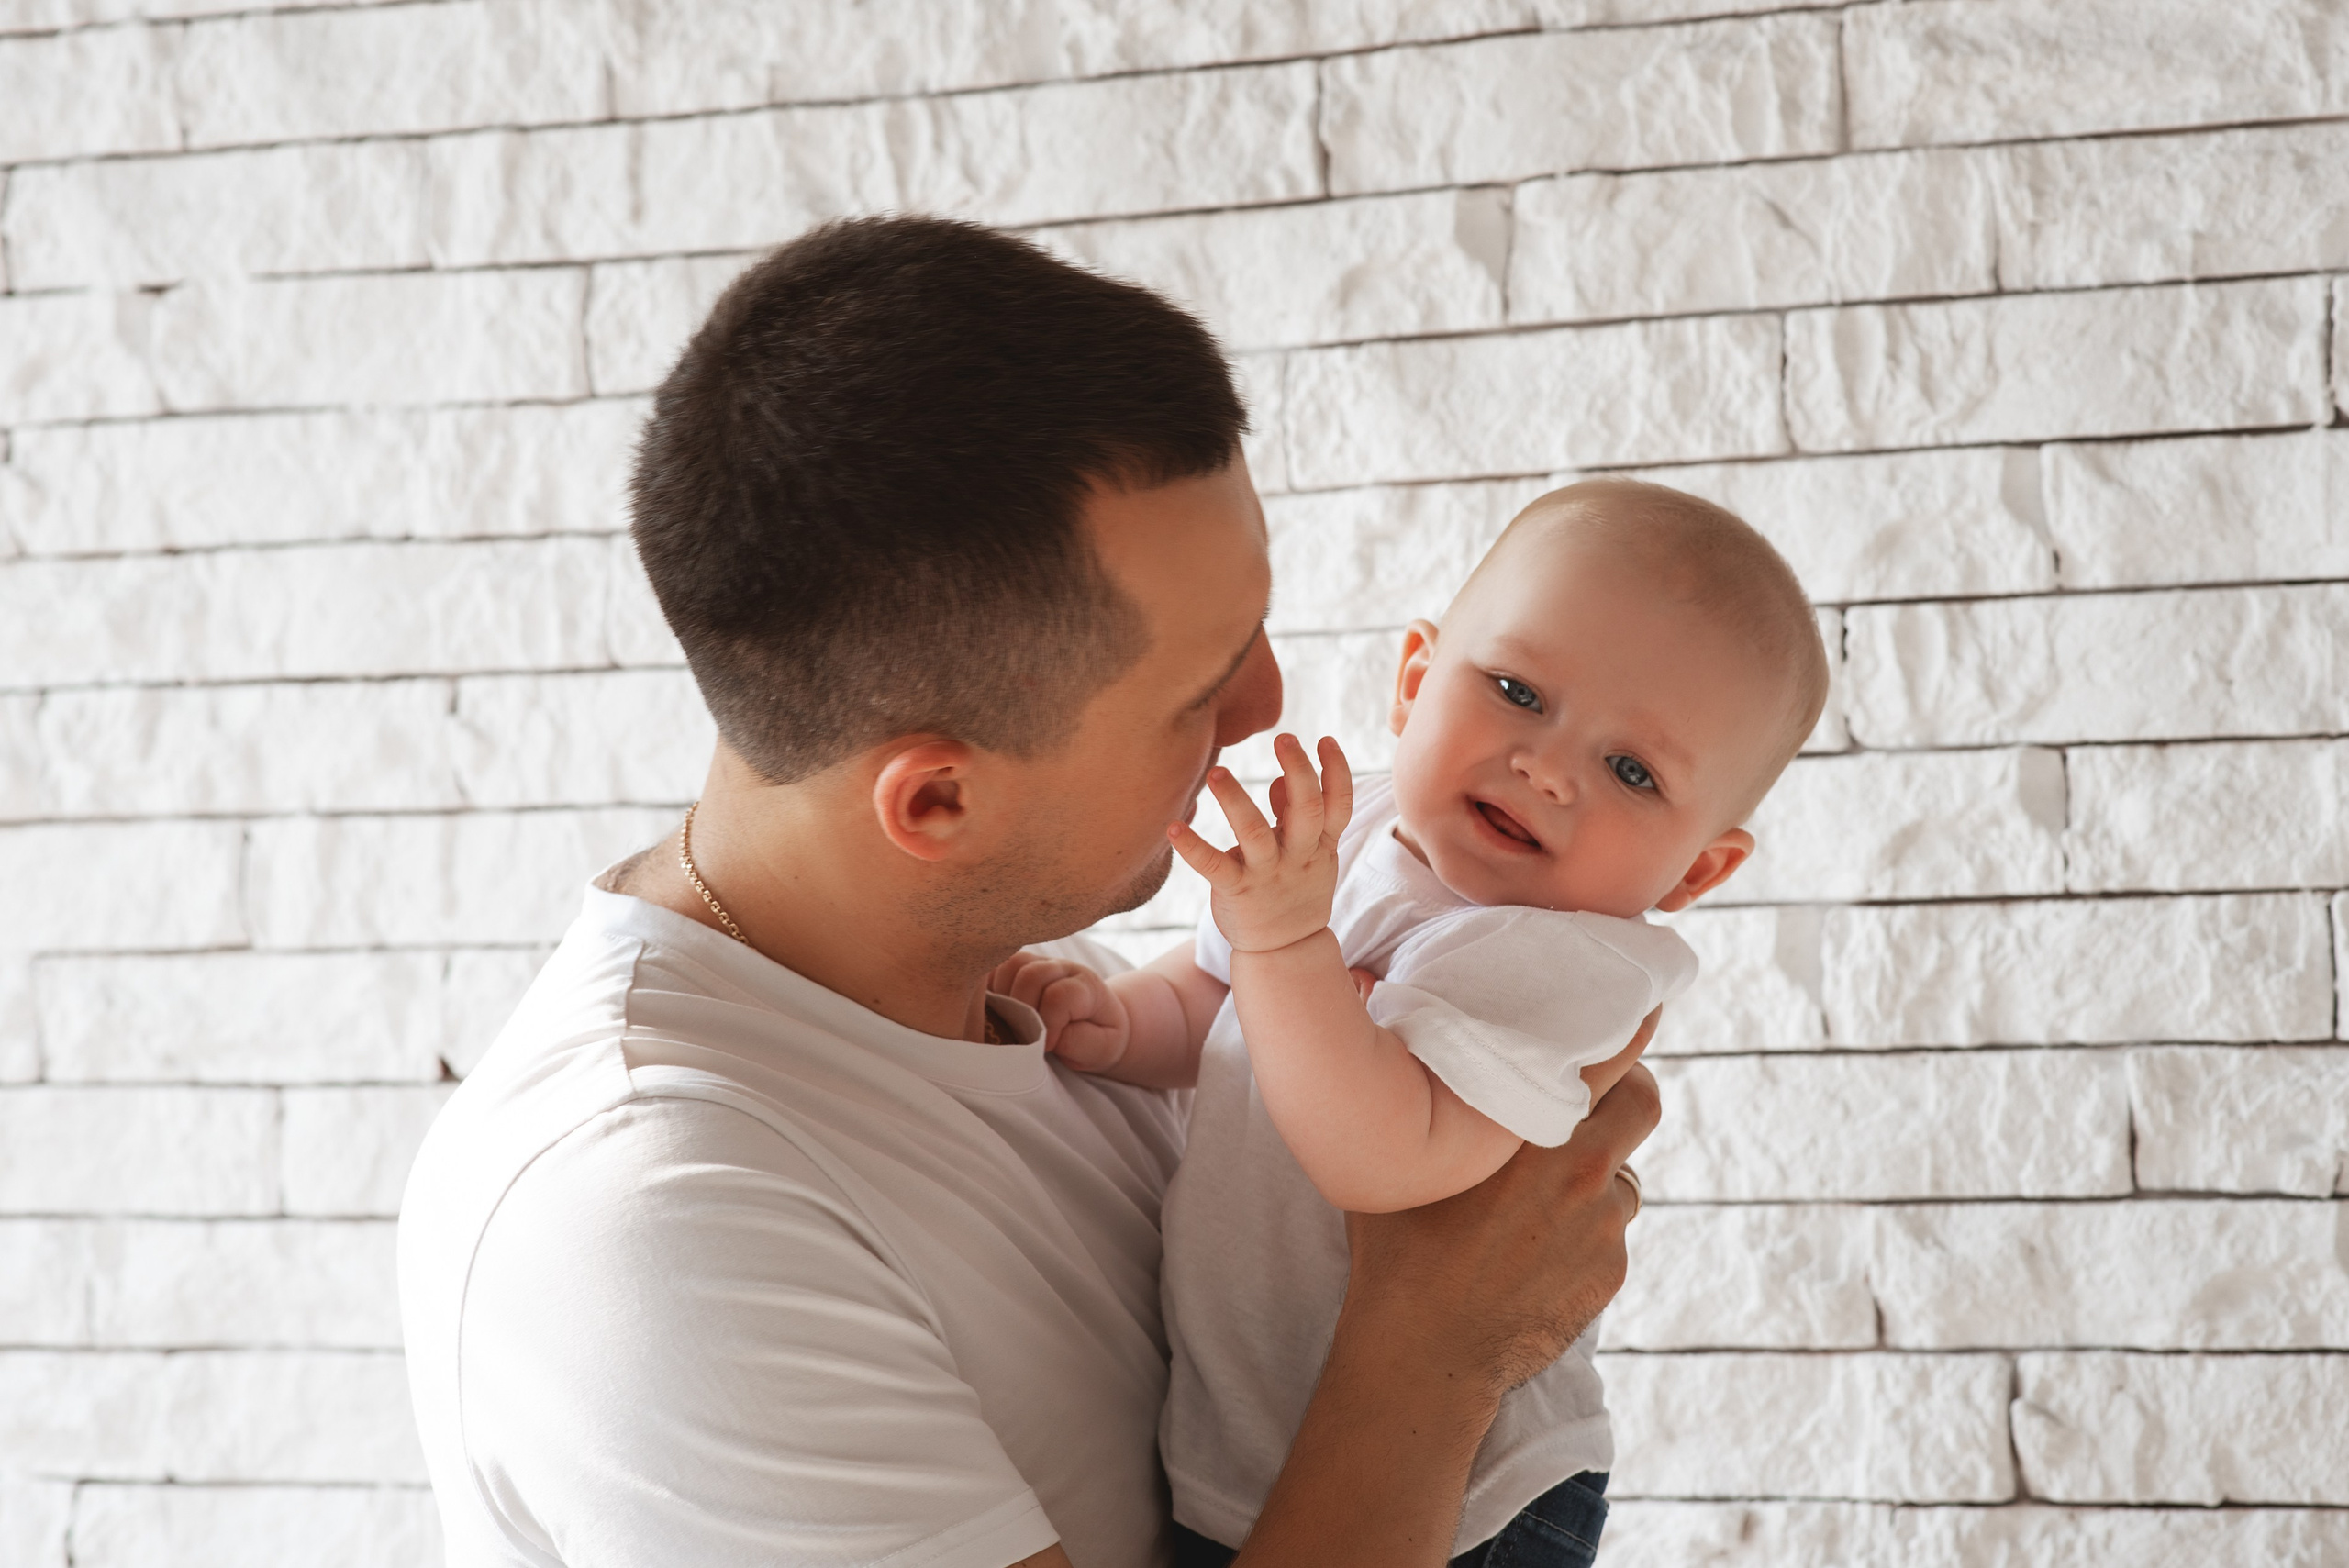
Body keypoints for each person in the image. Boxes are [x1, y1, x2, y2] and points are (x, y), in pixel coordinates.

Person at [397, 214, 1660, 1568]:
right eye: (1198, 690)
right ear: (936, 801)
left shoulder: (1030, 999)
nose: (1270, 703)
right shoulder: (658, 1220)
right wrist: (1436, 1354)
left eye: (1255, 628)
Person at [993, 481, 1828, 1564]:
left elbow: (1379, 1155)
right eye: (1518, 689)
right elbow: (1214, 1001)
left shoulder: (1568, 960)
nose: (1546, 766)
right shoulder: (1366, 830)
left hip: (1475, 1498)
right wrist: (1118, 1018)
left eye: (1631, 769)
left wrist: (1284, 944)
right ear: (1414, 679)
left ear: (1697, 868)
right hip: (1249, 1435)